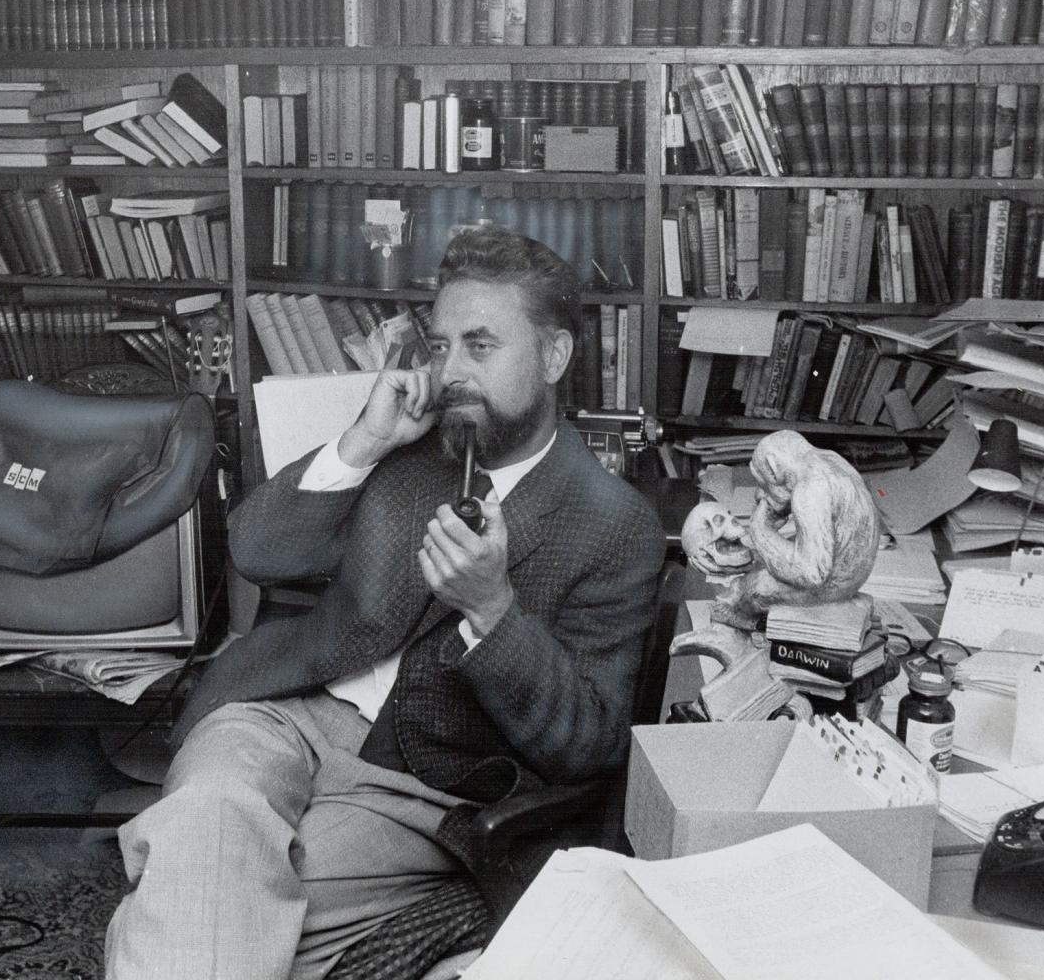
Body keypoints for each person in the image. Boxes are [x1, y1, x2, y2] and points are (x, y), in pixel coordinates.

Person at [104, 229, 667, 980]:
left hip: (418, 781)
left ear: (554, 357)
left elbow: (588, 743)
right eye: (439, 347)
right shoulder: (407, 451)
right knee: (206, 815)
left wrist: (492, 611)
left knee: (213, 892)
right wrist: (361, 442)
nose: (451, 373)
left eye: (479, 346)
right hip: (284, 713)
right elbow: (257, 551)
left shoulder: (614, 524)